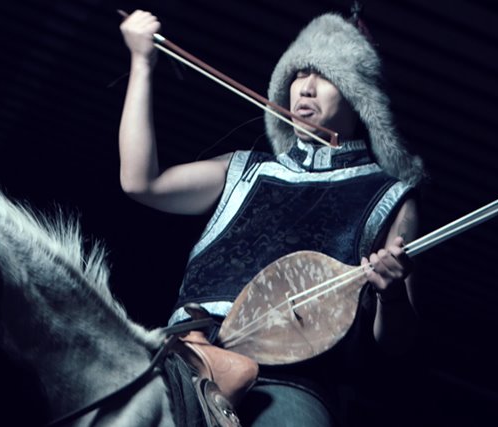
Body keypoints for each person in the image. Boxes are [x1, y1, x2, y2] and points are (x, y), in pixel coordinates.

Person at [118, 8, 425, 426]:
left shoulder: (389, 196)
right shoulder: (245, 169)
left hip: (291, 380)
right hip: (189, 356)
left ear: (359, 96)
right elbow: (142, 182)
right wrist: (141, 62)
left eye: (325, 76)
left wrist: (391, 295)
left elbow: (398, 342)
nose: (306, 89)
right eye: (299, 75)